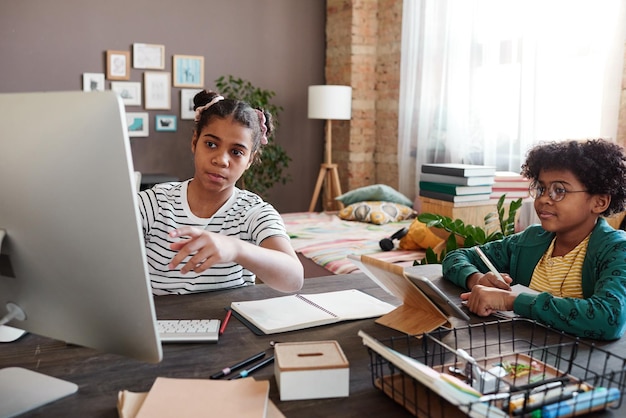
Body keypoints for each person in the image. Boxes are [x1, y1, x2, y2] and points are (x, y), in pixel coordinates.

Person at [443, 139, 626, 340]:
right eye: (540, 189)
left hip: (580, 363)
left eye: (559, 190)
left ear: (599, 202)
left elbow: (609, 317)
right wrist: (477, 279)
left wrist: (511, 301)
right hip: (523, 353)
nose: (543, 199)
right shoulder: (531, 239)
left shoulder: (617, 249)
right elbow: (456, 257)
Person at [138, 90, 304, 295]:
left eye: (236, 152)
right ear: (194, 142)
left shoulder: (253, 212)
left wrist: (235, 248)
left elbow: (294, 279)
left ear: (249, 161)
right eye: (211, 144)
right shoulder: (155, 202)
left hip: (227, 323)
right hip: (161, 323)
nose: (221, 160)